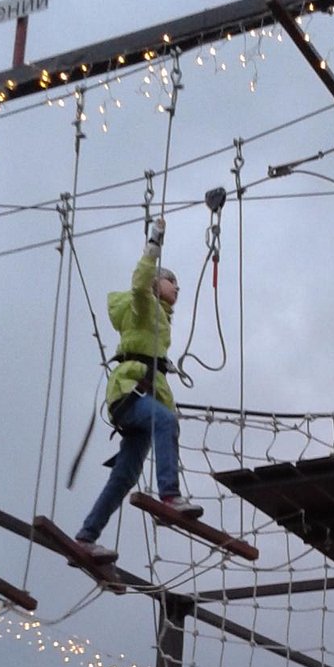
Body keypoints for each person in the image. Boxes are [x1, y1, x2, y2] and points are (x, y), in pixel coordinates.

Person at [73, 218, 202, 559]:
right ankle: (170, 495)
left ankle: (86, 538)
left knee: (125, 475)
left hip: (143, 394)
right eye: (172, 282)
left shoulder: (159, 321)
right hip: (130, 392)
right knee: (164, 422)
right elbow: (140, 281)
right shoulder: (143, 307)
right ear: (157, 283)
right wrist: (154, 243)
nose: (177, 289)